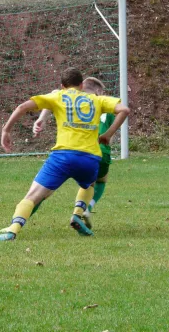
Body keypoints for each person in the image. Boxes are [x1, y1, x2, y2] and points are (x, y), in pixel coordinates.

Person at [0, 68, 129, 241]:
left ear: (63, 86)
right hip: (90, 159)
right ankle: (78, 212)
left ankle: (13, 229)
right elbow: (124, 110)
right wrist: (108, 134)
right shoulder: (97, 99)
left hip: (62, 156)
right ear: (81, 84)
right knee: (90, 184)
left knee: (33, 196)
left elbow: (22, 107)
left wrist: (6, 130)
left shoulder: (58, 96)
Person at [31, 77, 115, 229]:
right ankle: (84, 210)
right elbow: (120, 115)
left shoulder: (73, 99)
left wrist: (41, 119)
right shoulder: (103, 103)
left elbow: (54, 93)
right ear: (99, 92)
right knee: (97, 181)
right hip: (97, 153)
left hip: (70, 151)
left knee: (42, 192)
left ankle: (16, 223)